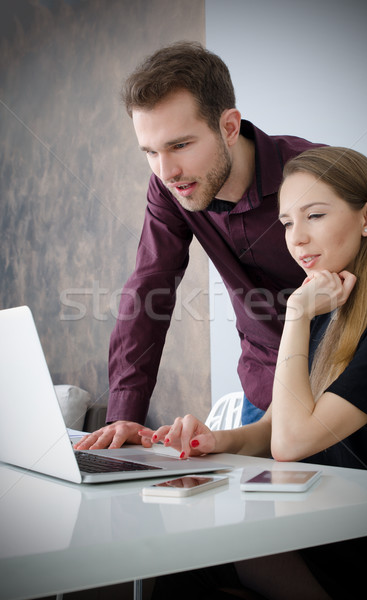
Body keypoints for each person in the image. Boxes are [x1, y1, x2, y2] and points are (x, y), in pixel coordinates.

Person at [138, 146, 367, 599]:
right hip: (311, 526)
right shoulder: (331, 306)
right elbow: (276, 424)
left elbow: (290, 444)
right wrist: (218, 442)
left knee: (193, 568)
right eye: (287, 223)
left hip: (365, 546)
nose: (295, 239)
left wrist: (295, 312)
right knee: (179, 567)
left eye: (314, 215)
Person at [75, 41, 323, 451]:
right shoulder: (169, 187)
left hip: (343, 391)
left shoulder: (319, 175)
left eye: (179, 145)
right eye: (150, 151)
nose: (166, 171)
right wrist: (124, 415)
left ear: (228, 126)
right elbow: (148, 288)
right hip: (262, 398)